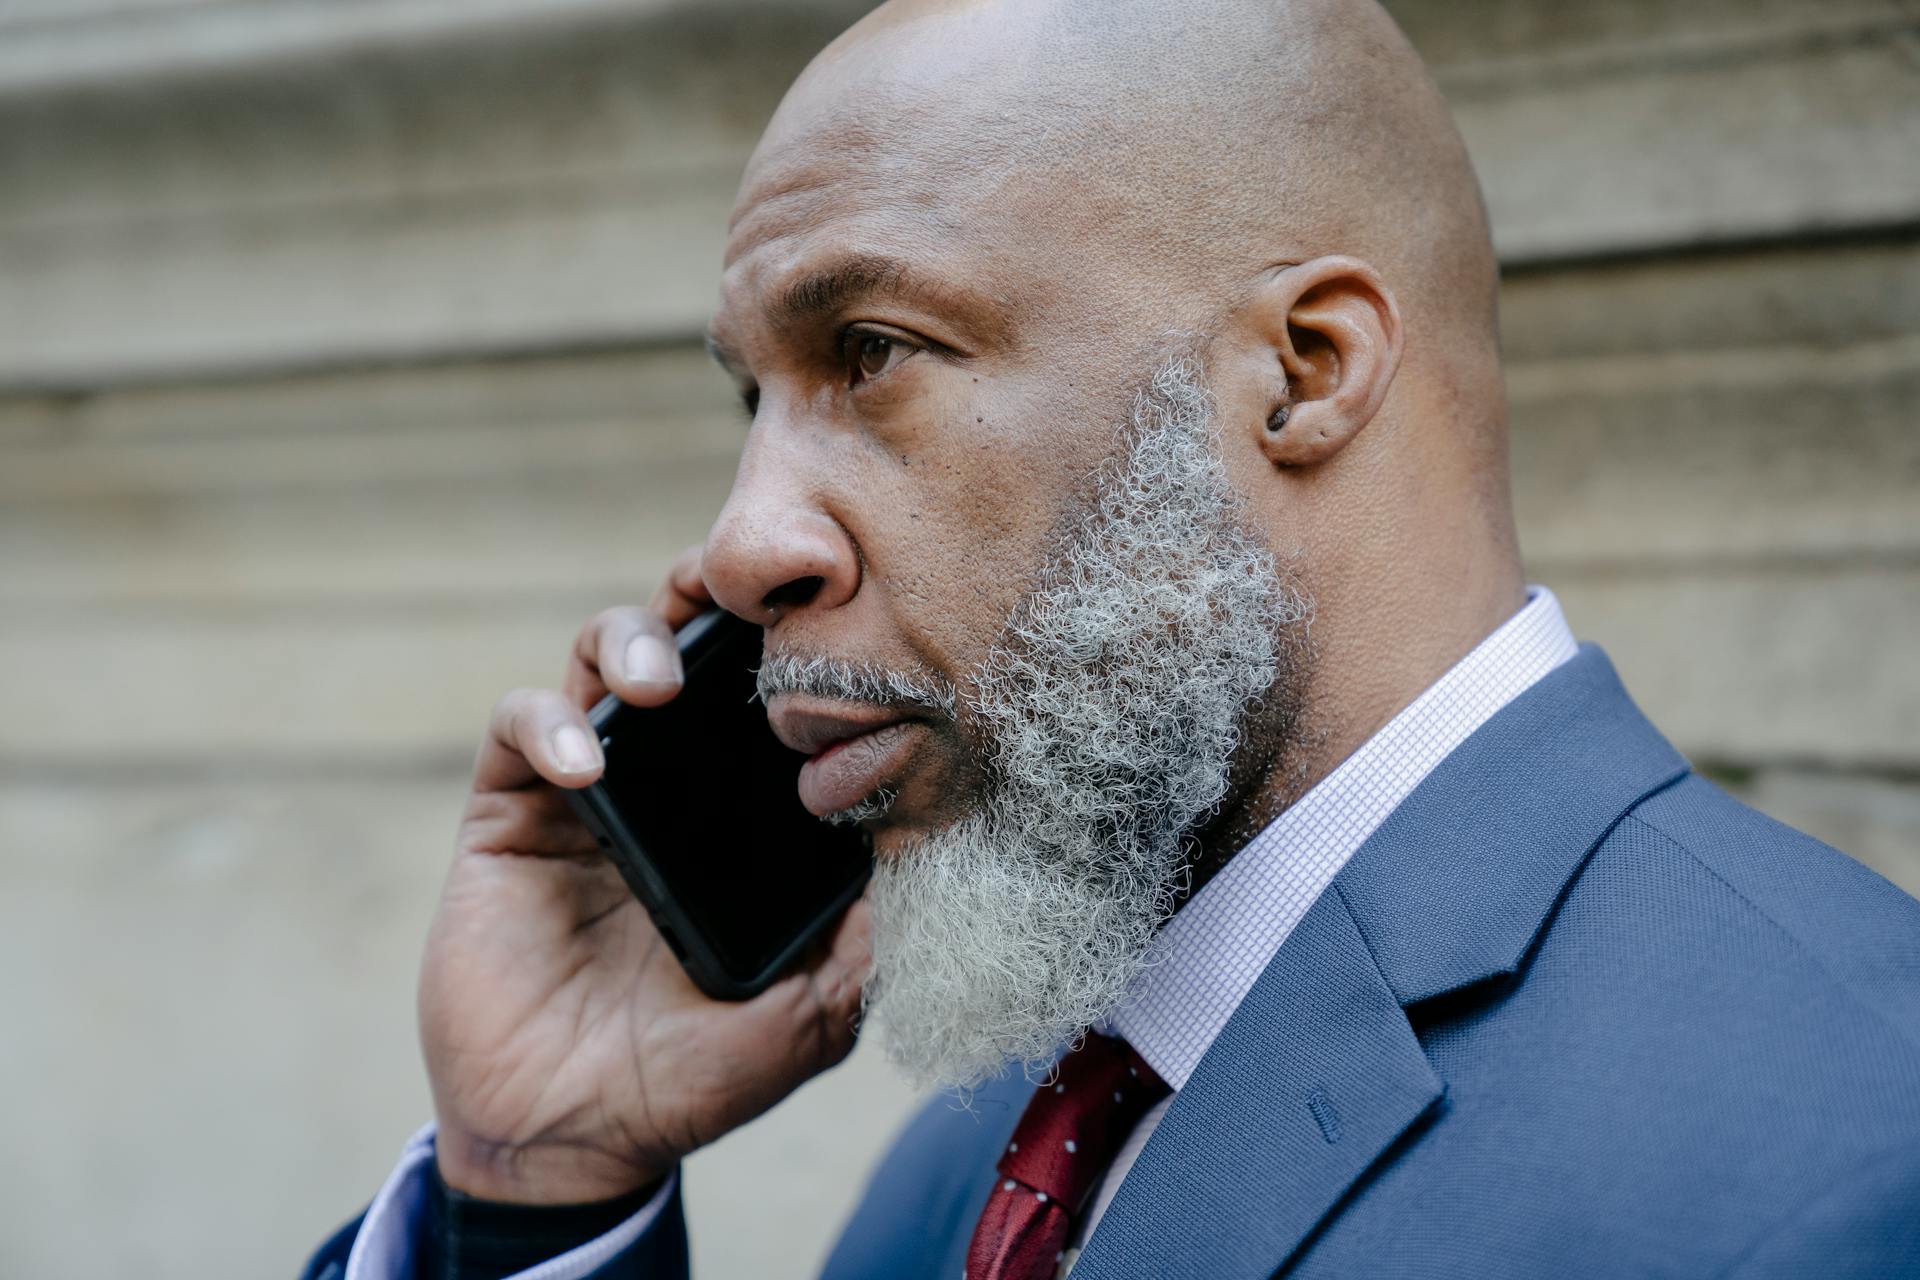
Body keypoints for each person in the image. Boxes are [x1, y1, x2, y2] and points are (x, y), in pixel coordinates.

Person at [305, 0, 1920, 1276]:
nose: (739, 546)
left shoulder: (1856, 1141)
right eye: (754, 402)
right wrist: (537, 1189)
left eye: (870, 352)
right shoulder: (1000, 1134)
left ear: (1301, 371)